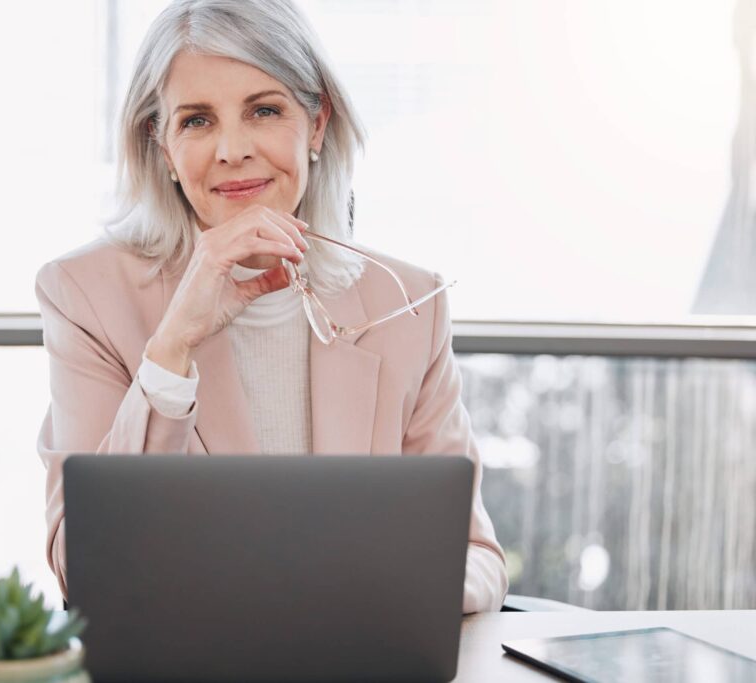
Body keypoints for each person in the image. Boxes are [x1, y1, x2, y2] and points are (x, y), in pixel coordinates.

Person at [36, 0, 508, 613]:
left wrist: (389, 592)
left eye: (264, 110)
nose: (232, 149)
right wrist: (174, 342)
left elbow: (475, 554)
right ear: (162, 145)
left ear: (316, 125)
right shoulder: (85, 294)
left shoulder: (409, 304)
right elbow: (87, 567)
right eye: (197, 121)